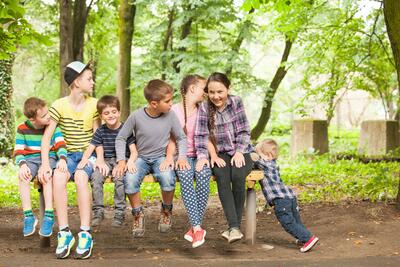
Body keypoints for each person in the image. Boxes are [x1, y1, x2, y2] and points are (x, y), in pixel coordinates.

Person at [39, 61, 100, 259]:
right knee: (58, 177)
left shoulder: (94, 104)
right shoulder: (59, 105)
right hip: (65, 156)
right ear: (76, 82)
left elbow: (97, 135)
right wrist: (47, 164)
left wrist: (97, 158)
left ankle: (85, 233)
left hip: (87, 155)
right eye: (89, 79)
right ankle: (64, 232)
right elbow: (47, 138)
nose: (92, 81)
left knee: (82, 178)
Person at [115, 79, 188, 238]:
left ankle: (166, 210)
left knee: (168, 177)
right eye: (167, 101)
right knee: (130, 180)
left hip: (161, 158)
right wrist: (122, 160)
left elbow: (181, 138)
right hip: (140, 158)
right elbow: (121, 138)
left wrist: (180, 158)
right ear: (154, 104)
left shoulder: (170, 115)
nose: (171, 104)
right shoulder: (136, 116)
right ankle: (138, 214)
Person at [194, 72, 253, 243]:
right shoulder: (205, 107)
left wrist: (240, 152)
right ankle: (234, 228)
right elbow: (201, 135)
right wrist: (203, 157)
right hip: (220, 153)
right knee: (221, 175)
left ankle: (234, 227)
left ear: (228, 88)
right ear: (207, 92)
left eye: (220, 92)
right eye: (212, 92)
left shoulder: (236, 102)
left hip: (241, 149)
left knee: (237, 174)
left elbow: (244, 130)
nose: (216, 96)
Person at [77, 95, 137, 227]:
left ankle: (119, 212)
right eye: (106, 113)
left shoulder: (126, 129)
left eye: (114, 112)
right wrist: (84, 159)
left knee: (119, 179)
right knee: (96, 178)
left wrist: (130, 162)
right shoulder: (100, 131)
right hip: (105, 161)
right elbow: (91, 146)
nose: (111, 115)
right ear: (101, 116)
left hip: (122, 160)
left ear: (119, 112)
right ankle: (98, 211)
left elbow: (134, 151)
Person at [252, 138, 319, 253]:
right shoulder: (272, 164)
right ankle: (302, 237)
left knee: (287, 222)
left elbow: (254, 157)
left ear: (268, 155)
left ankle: (308, 238)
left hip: (281, 200)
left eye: (260, 153)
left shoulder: (266, 164)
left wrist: (254, 150)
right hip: (289, 197)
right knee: (296, 221)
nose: (258, 155)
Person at [14, 97, 67, 237]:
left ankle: (49, 215)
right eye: (44, 116)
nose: (49, 116)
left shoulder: (52, 126)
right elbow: (18, 151)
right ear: (33, 119)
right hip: (30, 159)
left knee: (47, 176)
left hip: (49, 157)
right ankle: (28, 216)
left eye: (48, 112)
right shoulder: (22, 129)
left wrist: (62, 158)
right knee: (22, 177)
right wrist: (23, 165)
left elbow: (60, 144)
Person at [171, 75, 212, 248]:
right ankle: (197, 227)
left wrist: (213, 156)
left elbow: (208, 137)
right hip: (182, 156)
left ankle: (195, 229)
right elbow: (170, 138)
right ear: (193, 89)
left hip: (201, 155)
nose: (206, 93)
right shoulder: (174, 110)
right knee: (186, 176)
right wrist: (174, 157)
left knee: (204, 175)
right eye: (204, 88)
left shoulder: (204, 110)